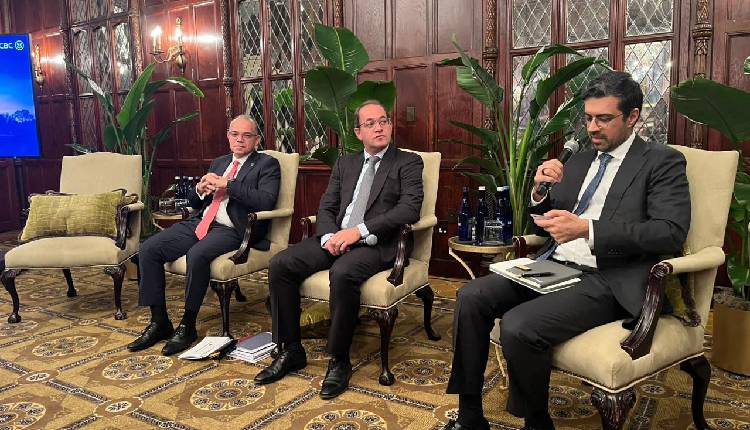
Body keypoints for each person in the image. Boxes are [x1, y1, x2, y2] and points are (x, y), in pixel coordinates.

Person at [443, 71, 691, 430]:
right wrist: (539, 192)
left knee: (519, 325)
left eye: (604, 118)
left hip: (607, 277)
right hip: (555, 263)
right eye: (588, 118)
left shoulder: (661, 161)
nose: (592, 128)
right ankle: (469, 417)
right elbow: (546, 222)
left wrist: (588, 229)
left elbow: (669, 233)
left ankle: (537, 422)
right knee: (470, 297)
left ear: (633, 116)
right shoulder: (580, 160)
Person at [254, 100, 424, 399]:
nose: (379, 127)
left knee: (343, 272)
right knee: (281, 264)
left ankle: (339, 359)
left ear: (390, 125)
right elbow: (327, 206)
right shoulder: (346, 164)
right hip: (336, 237)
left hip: (377, 242)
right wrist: (329, 236)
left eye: (383, 121)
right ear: (358, 132)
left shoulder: (407, 162)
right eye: (370, 123)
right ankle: (291, 349)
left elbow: (409, 209)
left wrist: (358, 231)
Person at [128, 115, 280, 356]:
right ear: (228, 136)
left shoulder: (267, 164)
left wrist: (228, 185)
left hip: (233, 228)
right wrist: (199, 190)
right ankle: (159, 322)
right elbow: (194, 203)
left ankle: (187, 325)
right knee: (149, 248)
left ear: (257, 140)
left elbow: (266, 200)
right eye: (235, 134)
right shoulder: (219, 162)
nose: (240, 140)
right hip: (201, 222)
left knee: (197, 254)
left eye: (247, 135)